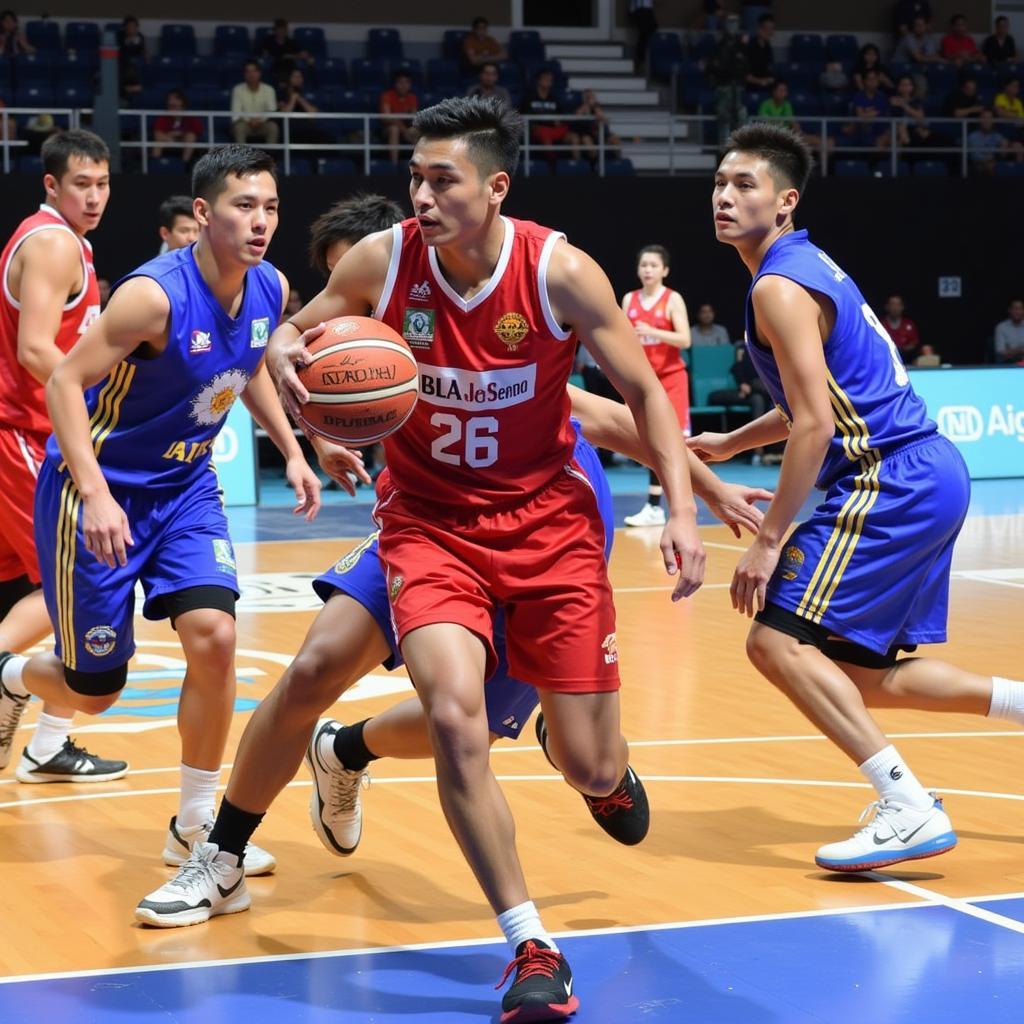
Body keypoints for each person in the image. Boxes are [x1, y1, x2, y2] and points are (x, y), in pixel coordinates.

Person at [136, 194, 770, 939]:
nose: (352, 324)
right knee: (326, 671)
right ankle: (223, 853)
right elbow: (297, 356)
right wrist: (315, 420)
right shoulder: (381, 342)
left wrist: (712, 490)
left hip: (547, 535)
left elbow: (610, 418)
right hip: (429, 524)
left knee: (518, 736)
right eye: (345, 302)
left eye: (361, 300)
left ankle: (351, 748)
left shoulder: (513, 316)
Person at [267, 97, 706, 1022]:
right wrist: (299, 381)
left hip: (550, 526)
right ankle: (529, 943)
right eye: (414, 178)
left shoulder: (560, 271)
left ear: (495, 186)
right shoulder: (383, 261)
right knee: (457, 717)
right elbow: (289, 335)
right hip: (428, 524)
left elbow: (642, 392)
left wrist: (682, 507)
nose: (420, 195)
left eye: (441, 180)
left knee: (590, 766)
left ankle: (594, 763)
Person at [694, 120, 1024, 876]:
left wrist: (769, 538)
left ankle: (907, 805)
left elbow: (814, 424)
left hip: (888, 478)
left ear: (785, 202)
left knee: (775, 641)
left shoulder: (779, 284)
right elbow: (821, 400)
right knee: (857, 676)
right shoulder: (800, 268)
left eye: (744, 184)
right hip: (923, 469)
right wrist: (730, 444)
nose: (723, 195)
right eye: (718, 182)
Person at [0, 145, 322, 873]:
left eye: (270, 206)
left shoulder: (270, 285)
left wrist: (296, 450)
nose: (261, 220)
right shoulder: (151, 295)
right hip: (101, 489)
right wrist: (97, 494)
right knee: (94, 692)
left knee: (214, 636)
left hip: (185, 489)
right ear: (204, 215)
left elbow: (247, 371)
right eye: (244, 206)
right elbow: (61, 383)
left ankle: (196, 819)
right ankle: (12, 675)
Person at [0, 130, 125, 784]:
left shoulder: (59, 240)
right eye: (82, 184)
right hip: (25, 433)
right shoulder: (52, 244)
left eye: (103, 184)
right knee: (66, 590)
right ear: (52, 185)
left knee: (24, 591)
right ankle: (9, 687)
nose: (96, 196)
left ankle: (49, 744)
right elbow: (35, 350)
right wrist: (102, 403)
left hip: (19, 431)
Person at [622, 244, 692, 528]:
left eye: (653, 265)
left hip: (671, 379)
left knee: (674, 443)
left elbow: (685, 339)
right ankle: (655, 506)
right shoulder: (629, 299)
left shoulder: (672, 299)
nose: (648, 270)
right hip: (644, 381)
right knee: (647, 442)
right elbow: (624, 337)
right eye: (644, 265)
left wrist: (653, 332)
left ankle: (675, 505)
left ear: (664, 270)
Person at [707, 343, 771, 463]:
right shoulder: (747, 347)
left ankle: (758, 451)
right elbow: (738, 367)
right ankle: (758, 450)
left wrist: (751, 388)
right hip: (746, 392)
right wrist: (742, 384)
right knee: (713, 396)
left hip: (763, 393)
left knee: (758, 399)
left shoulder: (773, 350)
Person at [706, 13, 749, 147]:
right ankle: (723, 152)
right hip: (724, 88)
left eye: (735, 23)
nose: (732, 26)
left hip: (738, 88)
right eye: (730, 23)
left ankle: (741, 151)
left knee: (741, 117)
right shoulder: (719, 45)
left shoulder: (742, 46)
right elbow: (714, 67)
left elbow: (746, 67)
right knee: (724, 119)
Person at [520, 68, 579, 162]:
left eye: (550, 79)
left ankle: (577, 165)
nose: (548, 81)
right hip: (538, 130)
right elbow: (523, 116)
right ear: (538, 81)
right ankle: (552, 165)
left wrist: (559, 122)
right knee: (545, 136)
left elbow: (561, 117)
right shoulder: (529, 98)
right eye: (545, 78)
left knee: (574, 137)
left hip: (554, 129)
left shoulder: (554, 99)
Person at [231, 60, 280, 147]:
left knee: (273, 127)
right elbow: (236, 113)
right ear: (244, 74)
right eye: (248, 71)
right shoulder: (237, 89)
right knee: (239, 127)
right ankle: (242, 159)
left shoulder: (269, 89)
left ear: (259, 73)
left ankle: (269, 158)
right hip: (245, 123)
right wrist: (249, 120)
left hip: (263, 123)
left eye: (254, 71)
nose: (251, 74)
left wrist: (260, 120)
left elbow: (272, 110)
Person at [152, 89, 202, 166]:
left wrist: (180, 134)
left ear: (183, 102)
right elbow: (157, 135)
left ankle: (185, 165)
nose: (171, 102)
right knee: (157, 143)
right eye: (170, 100)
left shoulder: (191, 118)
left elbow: (196, 133)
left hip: (185, 143)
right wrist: (170, 137)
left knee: (190, 136)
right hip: (167, 142)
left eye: (175, 99)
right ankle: (155, 165)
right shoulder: (162, 118)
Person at [379, 70, 419, 164]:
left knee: (417, 130)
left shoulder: (412, 97)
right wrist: (404, 130)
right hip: (387, 129)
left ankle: (419, 164)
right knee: (394, 129)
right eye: (400, 82)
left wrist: (410, 130)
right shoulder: (387, 95)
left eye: (407, 82)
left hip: (405, 128)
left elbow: (415, 117)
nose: (403, 85)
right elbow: (386, 118)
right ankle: (394, 164)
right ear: (395, 84)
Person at [570, 89, 621, 162]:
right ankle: (594, 165)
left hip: (601, 133)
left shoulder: (597, 106)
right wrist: (584, 110)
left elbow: (605, 120)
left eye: (591, 96)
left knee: (616, 139)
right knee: (587, 142)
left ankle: (618, 162)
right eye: (587, 97)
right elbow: (576, 117)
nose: (589, 99)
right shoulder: (580, 107)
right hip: (587, 134)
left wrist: (597, 112)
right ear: (584, 98)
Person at [967, 108, 1011, 175]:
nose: (987, 120)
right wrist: (988, 160)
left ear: (993, 121)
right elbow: (975, 156)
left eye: (989, 118)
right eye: (984, 117)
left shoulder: (997, 136)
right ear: (980, 120)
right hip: (977, 165)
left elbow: (1003, 154)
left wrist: (1005, 145)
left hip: (992, 164)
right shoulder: (973, 136)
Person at [881, 294, 920, 362]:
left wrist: (901, 351)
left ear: (902, 307)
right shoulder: (880, 324)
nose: (895, 308)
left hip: (907, 360)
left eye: (898, 305)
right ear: (886, 307)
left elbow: (914, 344)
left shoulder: (909, 324)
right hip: (886, 359)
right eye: (892, 304)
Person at [116, 15, 145, 98]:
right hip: (121, 67)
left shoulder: (140, 37)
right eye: (129, 26)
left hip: (134, 68)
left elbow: (145, 54)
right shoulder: (119, 37)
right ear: (124, 28)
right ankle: (125, 90)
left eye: (133, 26)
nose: (131, 29)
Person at [745, 14, 775, 90]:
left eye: (772, 29)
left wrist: (770, 79)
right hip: (752, 86)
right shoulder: (750, 46)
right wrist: (760, 81)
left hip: (766, 85)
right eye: (768, 29)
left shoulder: (768, 47)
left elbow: (770, 68)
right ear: (759, 29)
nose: (771, 33)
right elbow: (744, 75)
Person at [628, 0, 658, 73]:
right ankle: (640, 60)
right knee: (643, 34)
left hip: (648, 10)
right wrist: (632, 12)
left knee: (648, 32)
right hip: (639, 10)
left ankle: (641, 60)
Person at [994, 298, 1024, 363]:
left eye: (1020, 309)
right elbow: (1001, 353)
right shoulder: (1001, 327)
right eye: (1015, 309)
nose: (1018, 312)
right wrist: (1020, 350)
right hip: (1008, 364)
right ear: (1009, 310)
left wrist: (1010, 350)